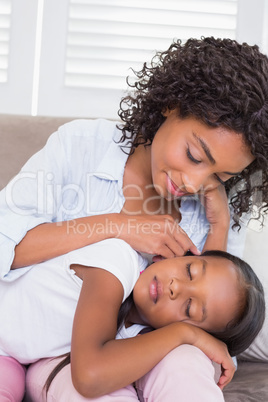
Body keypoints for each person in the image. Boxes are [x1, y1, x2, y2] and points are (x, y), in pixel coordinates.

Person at [0, 36, 267, 401]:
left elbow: (214, 328)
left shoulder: (215, 210)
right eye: (193, 154)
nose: (193, 183)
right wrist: (120, 226)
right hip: (38, 341)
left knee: (185, 364)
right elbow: (6, 246)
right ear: (171, 104)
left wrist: (218, 228)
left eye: (219, 177)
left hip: (120, 352)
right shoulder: (80, 145)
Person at [0, 239, 265, 402]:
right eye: (189, 270)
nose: (176, 288)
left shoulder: (137, 333)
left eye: (189, 308)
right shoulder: (116, 262)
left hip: (10, 361)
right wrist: (188, 333)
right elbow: (90, 375)